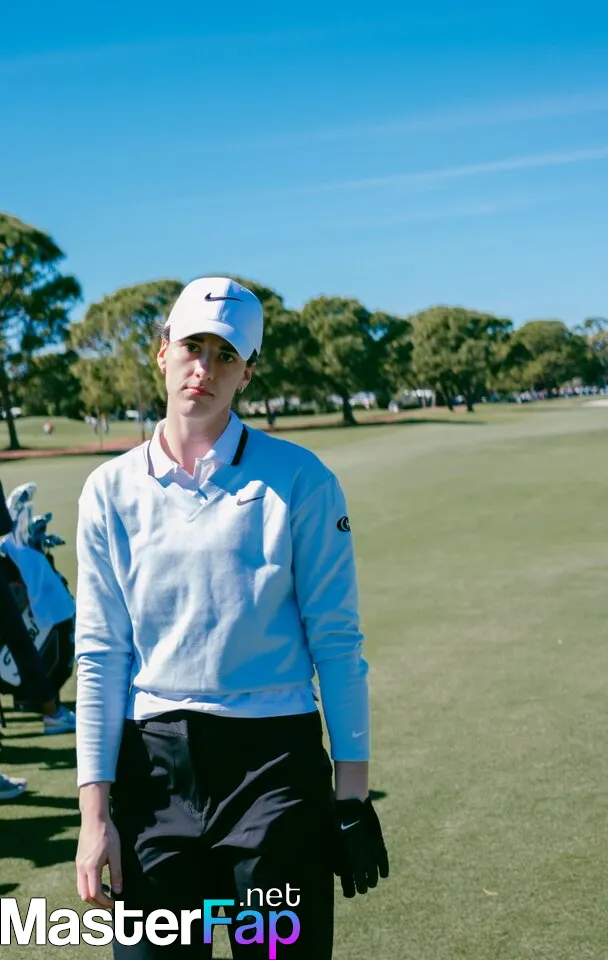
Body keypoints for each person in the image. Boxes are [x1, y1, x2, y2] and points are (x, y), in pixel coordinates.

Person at [74, 277, 388, 958]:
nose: (205, 368)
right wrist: (94, 814)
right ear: (163, 351)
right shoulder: (108, 491)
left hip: (274, 773)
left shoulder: (302, 479)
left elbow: (337, 643)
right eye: (193, 346)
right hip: (153, 777)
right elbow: (100, 656)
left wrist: (352, 796)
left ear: (247, 373)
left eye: (226, 355)